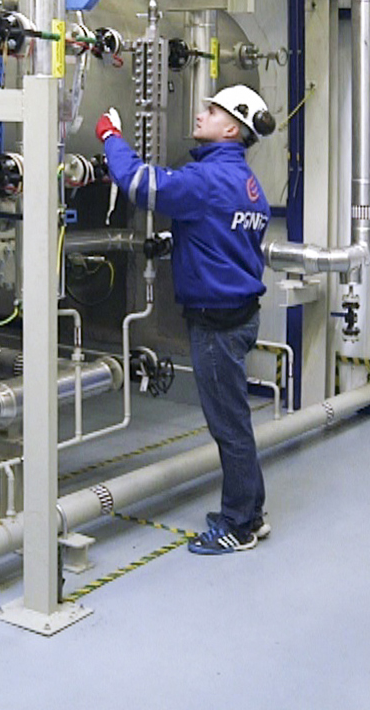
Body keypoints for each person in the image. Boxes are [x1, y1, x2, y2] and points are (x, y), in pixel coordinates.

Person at [96, 83, 277, 554]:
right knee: (234, 421)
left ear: (231, 129)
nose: (201, 114)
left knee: (229, 427)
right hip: (239, 315)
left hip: (217, 324)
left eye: (212, 111)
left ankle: (239, 525)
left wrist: (111, 136)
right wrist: (177, 243)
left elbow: (140, 184)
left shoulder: (207, 180)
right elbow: (223, 239)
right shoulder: (246, 184)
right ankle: (251, 513)